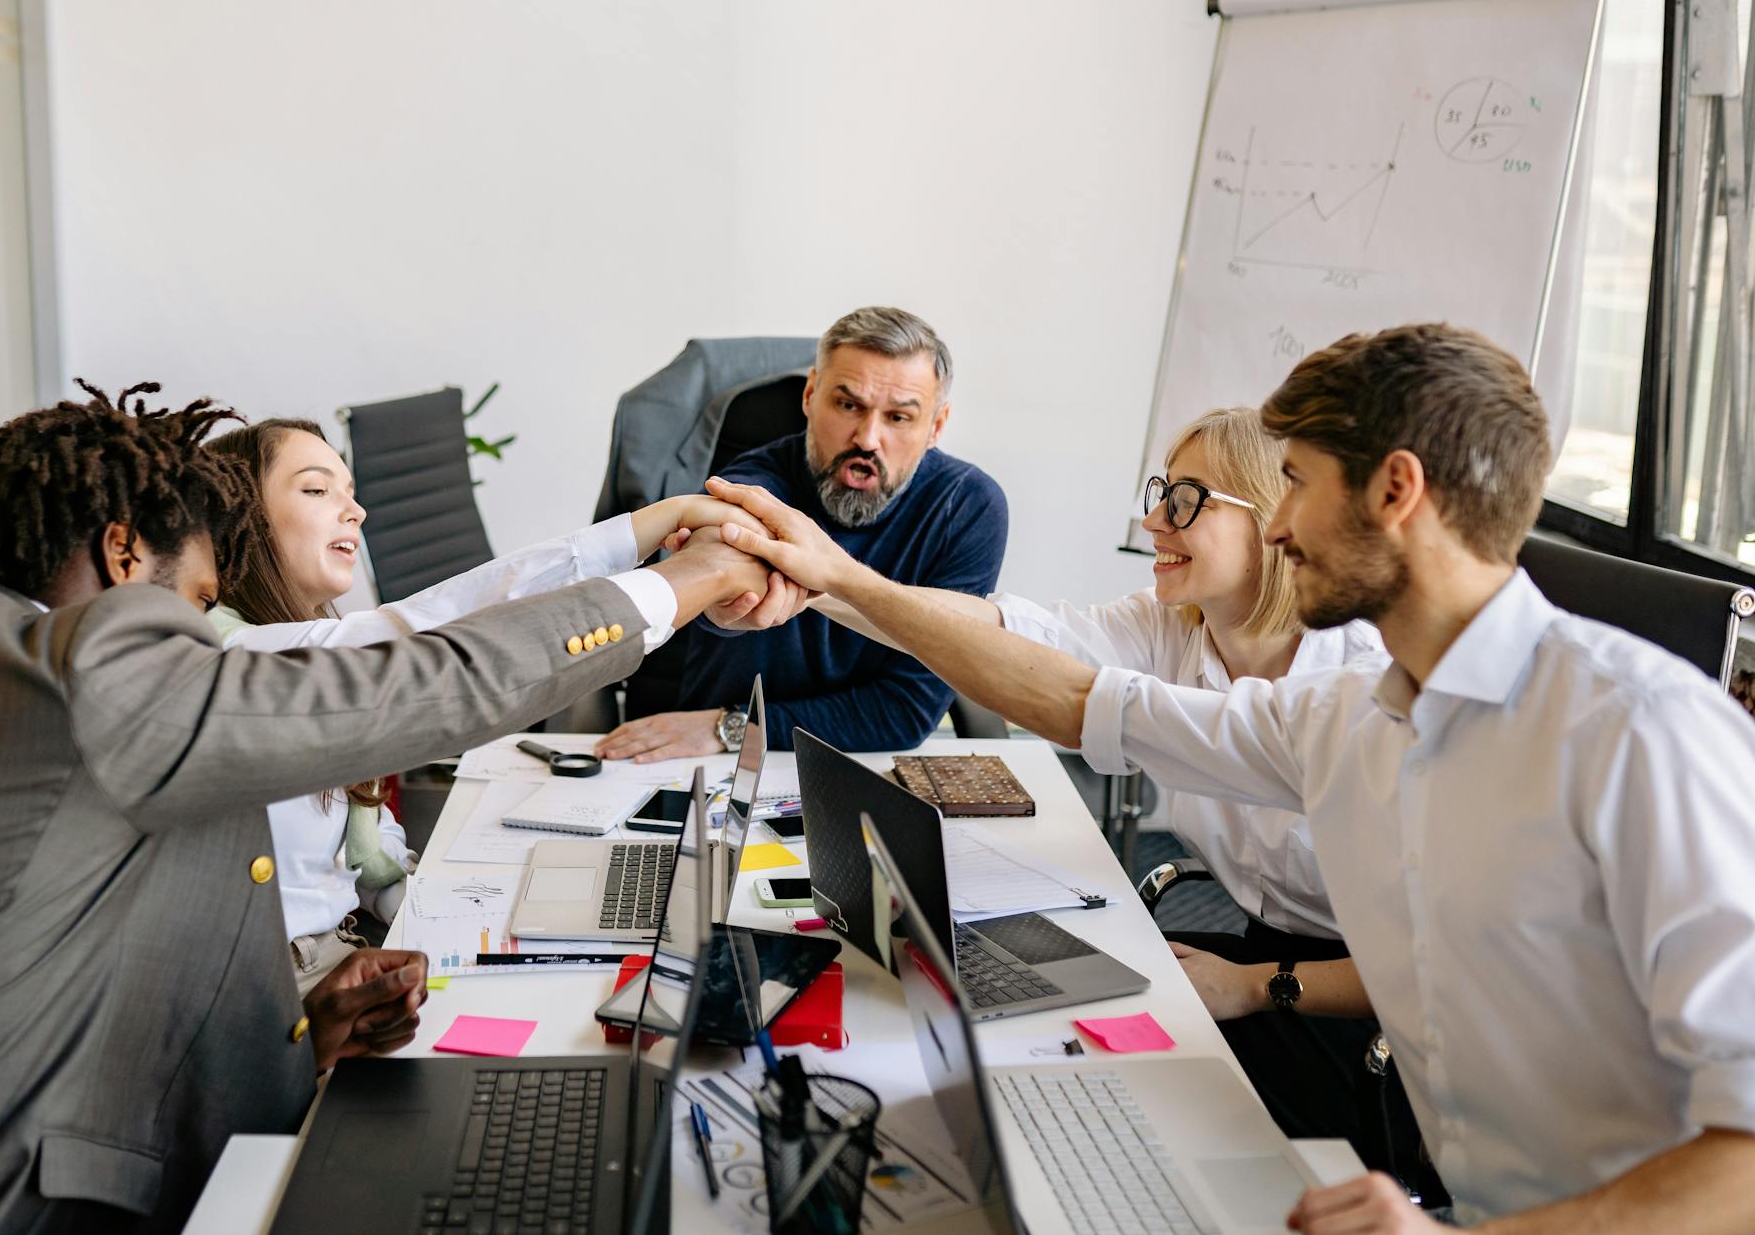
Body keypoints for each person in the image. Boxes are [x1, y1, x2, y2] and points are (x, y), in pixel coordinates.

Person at [705, 324, 1755, 1231]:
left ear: (1394, 490)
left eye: (1292, 483)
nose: (1282, 523)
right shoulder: (1347, 718)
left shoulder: (1641, 736)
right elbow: (1073, 698)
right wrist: (834, 578)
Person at [0, 382, 772, 1234]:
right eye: (204, 609)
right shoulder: (62, 675)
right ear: (126, 557)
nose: (213, 639)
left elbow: (35, 984)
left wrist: (295, 1037)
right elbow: (405, 677)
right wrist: (683, 583)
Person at [811, 405, 1430, 1193]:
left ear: (1279, 518)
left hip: (1370, 1020)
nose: (1151, 520)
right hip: (1254, 955)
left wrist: (1253, 985)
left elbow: (1435, 965)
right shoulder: (1177, 627)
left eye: (1185, 501)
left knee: (1129, 1130)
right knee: (1036, 1061)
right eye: (1160, 493)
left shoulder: (1363, 686)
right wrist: (818, 585)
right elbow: (1007, 630)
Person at [203, 416, 776, 992]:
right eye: (316, 489)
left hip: (355, 951)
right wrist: (679, 554)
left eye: (351, 493)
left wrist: (438, 910)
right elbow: (437, 629)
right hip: (285, 987)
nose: (356, 511)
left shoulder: (300, 642)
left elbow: (364, 854)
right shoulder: (233, 657)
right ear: (237, 516)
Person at [595, 306, 1008, 761]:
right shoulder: (752, 488)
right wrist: (715, 581)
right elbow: (721, 579)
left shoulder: (967, 508)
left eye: (898, 417)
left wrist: (734, 726)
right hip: (720, 764)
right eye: (848, 405)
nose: (868, 439)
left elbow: (904, 712)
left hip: (851, 761)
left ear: (936, 426)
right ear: (810, 395)